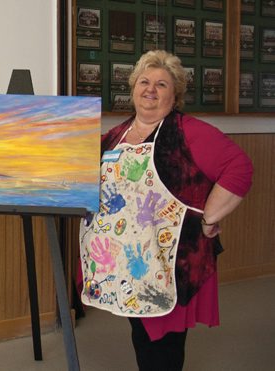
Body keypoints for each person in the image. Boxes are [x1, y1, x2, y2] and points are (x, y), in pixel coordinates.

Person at [79, 50, 253, 370]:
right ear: (132, 89)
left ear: (175, 96)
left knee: (162, 341)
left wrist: (210, 215)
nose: (150, 89)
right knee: (141, 332)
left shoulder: (189, 132)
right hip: (125, 263)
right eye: (144, 81)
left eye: (161, 84)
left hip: (169, 262)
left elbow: (239, 167)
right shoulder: (116, 136)